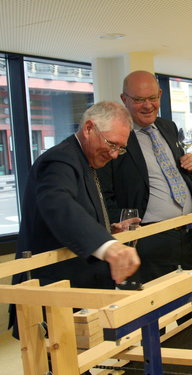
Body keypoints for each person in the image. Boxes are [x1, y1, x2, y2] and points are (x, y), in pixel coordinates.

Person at [10, 101, 141, 338]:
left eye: (120, 148)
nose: (113, 154)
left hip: (75, 287)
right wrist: (108, 247)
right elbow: (59, 205)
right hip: (52, 291)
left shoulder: (85, 159)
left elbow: (78, 210)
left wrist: (106, 229)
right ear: (89, 128)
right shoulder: (61, 159)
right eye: (111, 144)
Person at [98, 70, 192, 285]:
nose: (148, 105)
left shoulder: (168, 127)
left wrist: (191, 169)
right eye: (139, 100)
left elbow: (176, 176)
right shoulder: (114, 137)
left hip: (186, 234)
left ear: (161, 95)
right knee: (157, 312)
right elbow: (103, 196)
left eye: (153, 98)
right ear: (124, 99)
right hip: (147, 241)